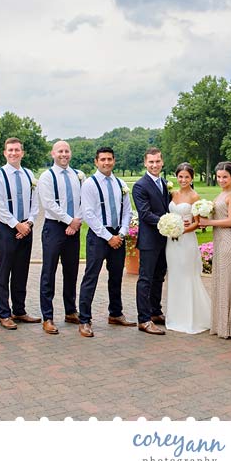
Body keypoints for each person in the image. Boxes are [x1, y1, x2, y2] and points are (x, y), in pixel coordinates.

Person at [77, 147, 135, 338]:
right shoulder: (89, 184)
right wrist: (108, 237)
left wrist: (122, 233)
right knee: (91, 277)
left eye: (110, 159)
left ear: (114, 161)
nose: (106, 162)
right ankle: (84, 319)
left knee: (116, 276)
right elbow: (88, 214)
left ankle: (115, 313)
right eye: (103, 159)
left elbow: (127, 211)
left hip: (118, 234)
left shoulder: (120, 184)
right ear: (96, 161)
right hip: (99, 236)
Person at [0, 137, 41, 330]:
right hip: (5, 229)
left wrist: (29, 222)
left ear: (22, 153)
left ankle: (19, 310)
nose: (13, 153)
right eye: (10, 150)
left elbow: (35, 203)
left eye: (17, 150)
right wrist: (16, 225)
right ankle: (4, 313)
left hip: (26, 228)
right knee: (4, 272)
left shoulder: (29, 175)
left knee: (21, 271)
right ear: (5, 153)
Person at [37, 140, 83, 335]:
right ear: (53, 154)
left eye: (66, 151)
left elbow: (83, 200)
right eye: (60, 151)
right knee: (49, 272)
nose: (64, 154)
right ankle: (47, 316)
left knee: (71, 271)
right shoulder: (47, 177)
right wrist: (69, 221)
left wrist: (76, 221)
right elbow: (48, 204)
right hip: (54, 228)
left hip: (74, 227)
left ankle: (70, 310)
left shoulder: (78, 175)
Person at [164, 163, 211, 334]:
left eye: (187, 177)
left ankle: (191, 318)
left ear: (192, 178)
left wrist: (182, 229)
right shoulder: (172, 194)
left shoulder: (194, 197)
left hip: (187, 240)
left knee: (187, 276)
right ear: (176, 177)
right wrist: (169, 227)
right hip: (171, 242)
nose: (183, 180)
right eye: (180, 176)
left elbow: (198, 223)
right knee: (175, 276)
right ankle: (175, 317)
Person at [199, 162, 231, 339]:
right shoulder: (221, 194)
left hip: (229, 242)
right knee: (221, 281)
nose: (221, 180)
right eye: (218, 177)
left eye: (225, 176)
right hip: (219, 241)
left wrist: (208, 223)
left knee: (229, 282)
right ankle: (221, 323)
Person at [131, 147, 169, 335]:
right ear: (145, 163)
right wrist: (168, 222)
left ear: (162, 162)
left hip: (164, 240)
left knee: (159, 277)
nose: (154, 165)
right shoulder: (140, 185)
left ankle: (155, 311)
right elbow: (145, 214)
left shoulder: (164, 182)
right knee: (145, 279)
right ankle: (143, 319)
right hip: (149, 241)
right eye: (151, 162)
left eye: (157, 161)